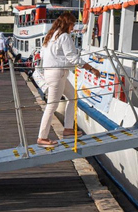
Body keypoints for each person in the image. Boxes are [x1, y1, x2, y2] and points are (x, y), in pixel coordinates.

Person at [37, 12, 100, 147]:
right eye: (72, 24)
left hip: (53, 73)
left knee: (73, 97)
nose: (73, 27)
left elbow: (43, 54)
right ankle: (42, 138)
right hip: (58, 74)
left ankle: (68, 129)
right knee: (52, 106)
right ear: (68, 23)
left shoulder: (51, 36)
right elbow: (72, 57)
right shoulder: (64, 36)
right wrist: (91, 69)